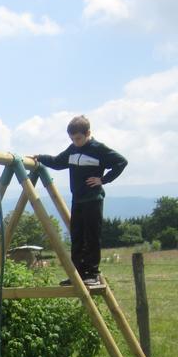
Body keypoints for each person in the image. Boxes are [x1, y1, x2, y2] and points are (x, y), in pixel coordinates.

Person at [34, 115, 127, 287]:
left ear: (88, 133)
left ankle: (91, 273)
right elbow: (56, 162)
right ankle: (77, 274)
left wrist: (103, 179)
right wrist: (39, 157)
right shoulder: (73, 150)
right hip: (77, 199)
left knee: (91, 236)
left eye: (78, 138)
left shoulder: (99, 149)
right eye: (72, 139)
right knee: (77, 237)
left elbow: (121, 162)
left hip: (93, 199)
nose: (75, 142)